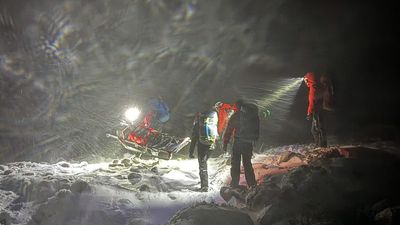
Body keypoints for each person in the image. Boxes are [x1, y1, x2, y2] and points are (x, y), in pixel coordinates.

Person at [223, 99, 258, 188]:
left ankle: (234, 185)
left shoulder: (236, 116)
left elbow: (229, 130)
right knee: (247, 164)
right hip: (248, 143)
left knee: (235, 164)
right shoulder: (252, 115)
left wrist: (225, 142)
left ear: (237, 106)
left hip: (238, 143)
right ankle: (252, 185)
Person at [188, 107, 219, 192]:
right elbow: (216, 134)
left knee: (202, 164)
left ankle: (204, 186)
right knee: (204, 162)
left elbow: (194, 139)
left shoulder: (198, 124)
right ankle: (204, 181)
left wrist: (191, 152)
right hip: (212, 144)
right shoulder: (213, 121)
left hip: (202, 145)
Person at [304, 72, 333, 148]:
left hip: (317, 111)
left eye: (306, 80)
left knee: (318, 128)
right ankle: (320, 145)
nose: (305, 82)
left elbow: (311, 102)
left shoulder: (313, 88)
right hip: (318, 110)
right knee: (315, 129)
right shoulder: (315, 86)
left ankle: (322, 146)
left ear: (309, 80)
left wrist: (309, 113)